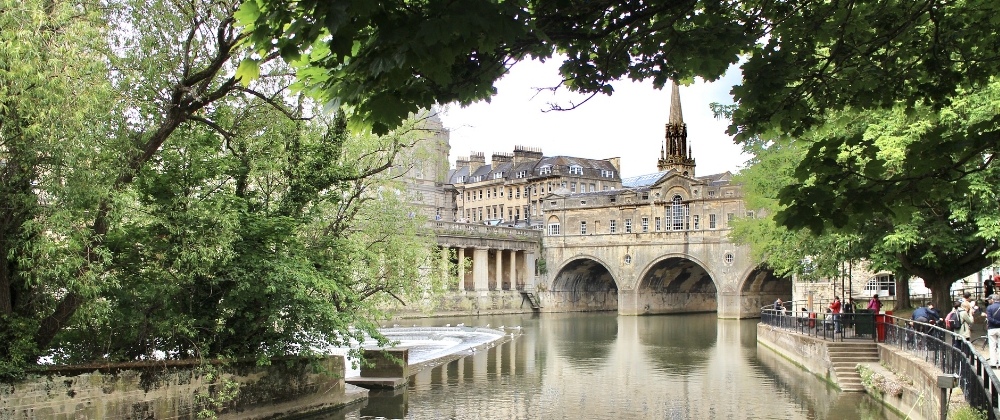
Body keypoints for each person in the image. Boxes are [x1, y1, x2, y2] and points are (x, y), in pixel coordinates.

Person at [986, 295, 1000, 368]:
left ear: (993, 300)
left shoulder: (989, 307)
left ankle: (993, 363)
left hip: (992, 328)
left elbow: (989, 318)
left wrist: (996, 322)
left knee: (992, 346)